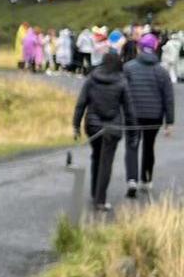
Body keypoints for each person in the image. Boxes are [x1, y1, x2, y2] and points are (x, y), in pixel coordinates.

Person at [73, 53, 136, 212]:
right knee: (106, 162)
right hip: (112, 128)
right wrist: (133, 132)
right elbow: (129, 110)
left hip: (92, 126)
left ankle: (95, 193)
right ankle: (100, 200)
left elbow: (81, 103)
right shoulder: (121, 82)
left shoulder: (92, 79)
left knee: (96, 157)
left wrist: (76, 125)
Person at [122, 34, 175, 197]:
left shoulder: (128, 68)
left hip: (133, 114)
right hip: (154, 116)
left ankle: (132, 179)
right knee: (149, 146)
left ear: (139, 48)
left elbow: (122, 92)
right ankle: (146, 180)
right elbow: (168, 97)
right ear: (155, 49)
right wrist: (169, 122)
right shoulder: (162, 71)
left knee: (132, 145)